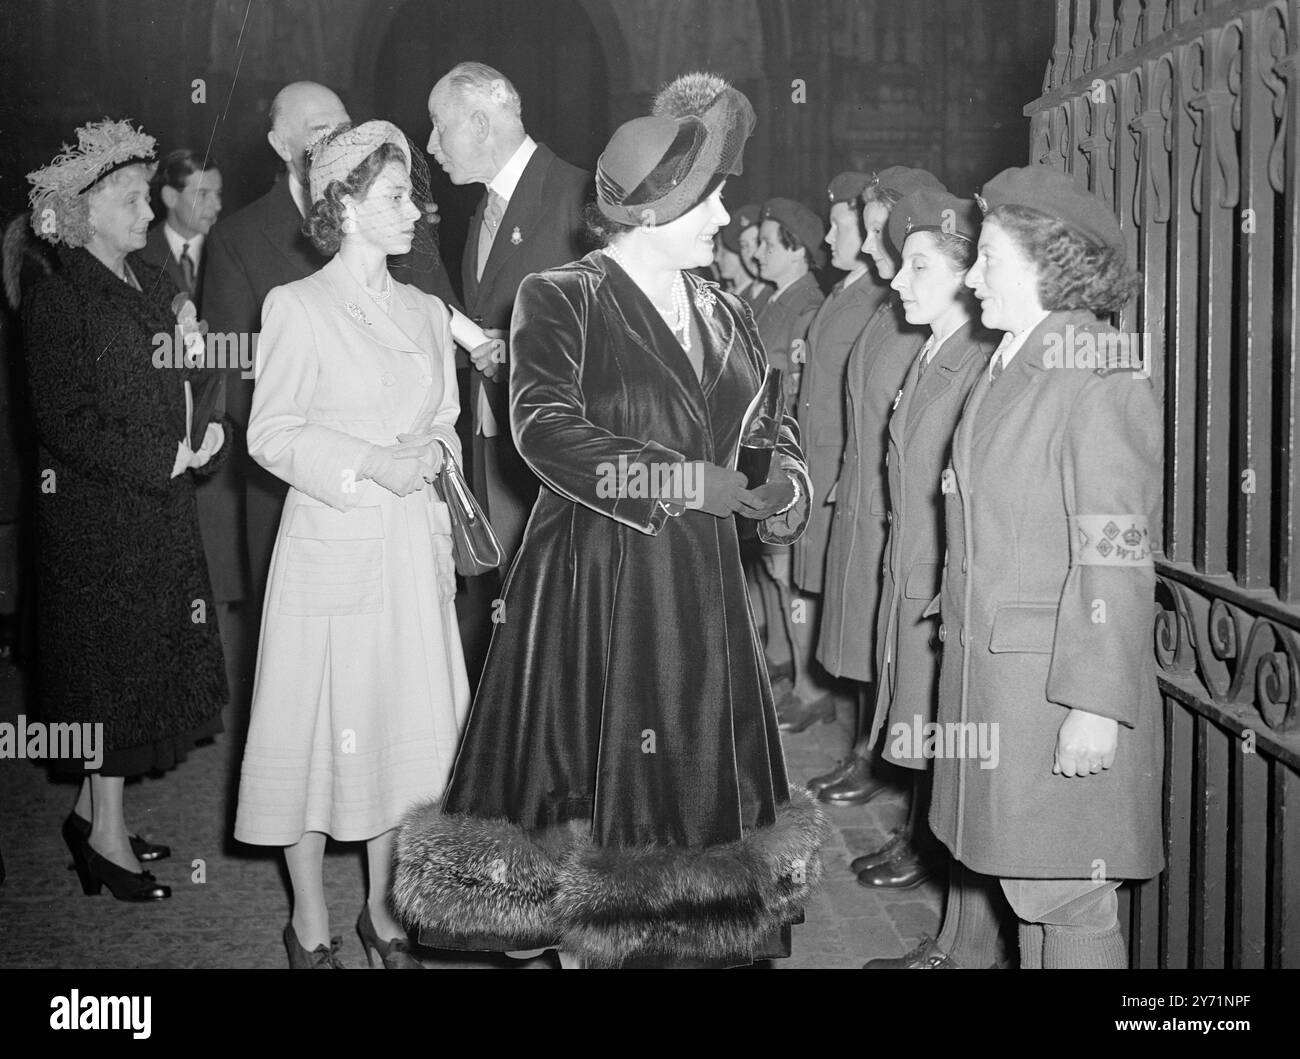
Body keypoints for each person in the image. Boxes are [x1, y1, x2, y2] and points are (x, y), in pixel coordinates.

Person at [393, 83, 827, 969]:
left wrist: (781, 484)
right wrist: (678, 479)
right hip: (596, 580)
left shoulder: (726, 307)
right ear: (657, 209)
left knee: (697, 813)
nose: (722, 214)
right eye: (706, 198)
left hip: (700, 586)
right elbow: (544, 428)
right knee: (585, 808)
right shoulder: (562, 296)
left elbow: (765, 423)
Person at [233, 121, 469, 969]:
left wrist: (432, 456)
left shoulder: (425, 311)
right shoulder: (296, 305)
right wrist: (375, 462)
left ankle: (379, 910)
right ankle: (308, 925)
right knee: (314, 732)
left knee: (395, 732)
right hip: (331, 543)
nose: (418, 210)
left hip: (410, 548)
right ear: (344, 205)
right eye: (398, 196)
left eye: (414, 193)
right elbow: (272, 432)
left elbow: (442, 421)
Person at [930, 165, 1162, 968]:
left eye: (988, 255)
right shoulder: (1015, 359)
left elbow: (1117, 551)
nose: (970, 274)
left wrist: (1096, 704)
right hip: (1002, 683)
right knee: (1030, 887)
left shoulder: (1095, 370)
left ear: (1047, 263)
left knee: (1067, 898)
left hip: (1053, 688)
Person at [23, 119, 229, 902]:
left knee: (140, 667)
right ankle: (106, 841)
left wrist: (188, 346)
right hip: (96, 520)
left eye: (145, 195)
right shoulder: (59, 294)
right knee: (110, 676)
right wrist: (157, 457)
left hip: (151, 509)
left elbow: (163, 374)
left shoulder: (141, 276)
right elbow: (62, 419)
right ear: (89, 209)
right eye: (133, 198)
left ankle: (90, 815)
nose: (148, 211)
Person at [205, 81, 457, 615]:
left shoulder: (416, 275)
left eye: (343, 124)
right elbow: (247, 399)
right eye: (321, 131)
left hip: (413, 522)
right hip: (319, 504)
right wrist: (360, 458)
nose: (339, 137)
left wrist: (433, 451)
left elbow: (442, 405)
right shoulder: (245, 246)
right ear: (280, 144)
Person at [856, 188, 1006, 965]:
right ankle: (953, 937)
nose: (899, 282)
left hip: (944, 598)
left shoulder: (976, 361)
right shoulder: (934, 352)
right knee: (942, 766)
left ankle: (964, 947)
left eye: (920, 266)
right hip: (913, 588)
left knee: (957, 764)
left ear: (965, 271)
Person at [426, 62, 590, 566]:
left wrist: (517, 348)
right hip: (493, 440)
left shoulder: (575, 197)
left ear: (479, 125)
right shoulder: (483, 209)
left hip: (554, 453)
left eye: (439, 126)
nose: (431, 146)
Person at [814, 167, 940, 812]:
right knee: (868, 642)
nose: (867, 246)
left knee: (901, 657)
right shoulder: (890, 309)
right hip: (864, 501)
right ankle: (870, 755)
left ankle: (898, 786)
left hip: (896, 515)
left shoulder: (926, 316)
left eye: (875, 232)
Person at [779, 172, 887, 734]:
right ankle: (816, 691)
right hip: (817, 460)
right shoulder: (847, 290)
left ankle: (854, 727)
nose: (828, 237)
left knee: (848, 591)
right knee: (813, 583)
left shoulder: (877, 297)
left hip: (839, 463)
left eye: (837, 225)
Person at [141, 148, 223, 307]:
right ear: (170, 197)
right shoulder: (139, 253)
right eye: (203, 194)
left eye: (218, 193)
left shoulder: (230, 250)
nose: (218, 206)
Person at [733, 203, 773, 314]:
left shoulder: (778, 293)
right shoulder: (741, 296)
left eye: (757, 242)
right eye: (744, 246)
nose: (752, 253)